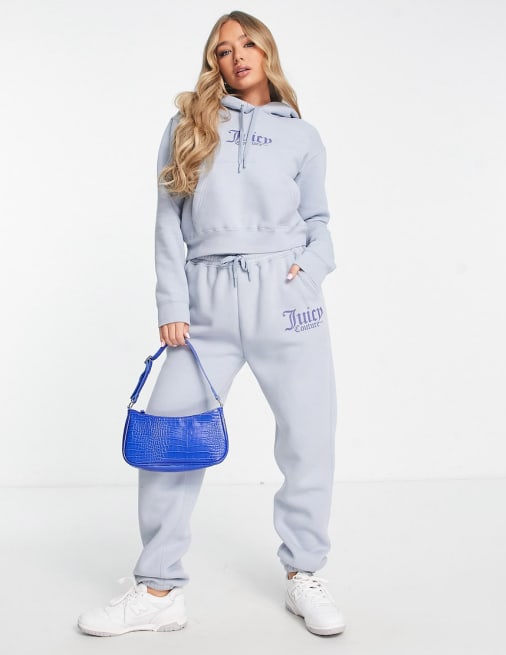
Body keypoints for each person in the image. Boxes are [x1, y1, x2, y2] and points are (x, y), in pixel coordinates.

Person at [77, 10, 345, 638]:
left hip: (287, 300)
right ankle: (158, 589)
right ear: (213, 64)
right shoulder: (188, 125)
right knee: (169, 439)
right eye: (223, 50)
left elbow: (320, 222)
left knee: (309, 439)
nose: (237, 56)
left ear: (267, 51)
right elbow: (167, 220)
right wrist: (173, 304)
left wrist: (309, 272)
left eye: (248, 43)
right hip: (207, 301)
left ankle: (304, 573)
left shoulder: (302, 136)